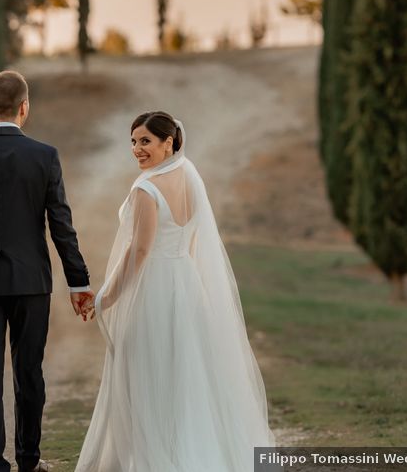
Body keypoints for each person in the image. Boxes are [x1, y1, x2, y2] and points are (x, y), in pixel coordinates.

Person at [75, 111, 276, 472]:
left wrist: (107, 296)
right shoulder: (189, 176)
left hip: (154, 290)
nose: (137, 149)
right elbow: (196, 239)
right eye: (134, 142)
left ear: (169, 142)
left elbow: (140, 250)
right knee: (187, 378)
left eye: (146, 141)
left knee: (148, 379)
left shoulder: (147, 188)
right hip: (187, 285)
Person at [0, 70, 94, 472]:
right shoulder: (44, 156)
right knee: (30, 372)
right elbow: (61, 224)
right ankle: (29, 461)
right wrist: (79, 282)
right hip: (30, 281)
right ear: (25, 107)